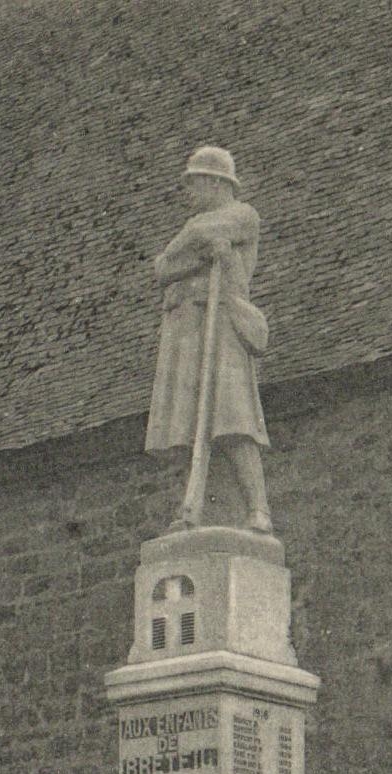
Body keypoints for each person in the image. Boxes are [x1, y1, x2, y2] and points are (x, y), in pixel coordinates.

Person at [145, 145, 273, 534]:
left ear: (217, 183)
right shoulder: (197, 224)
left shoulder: (242, 215)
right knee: (190, 423)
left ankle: (258, 510)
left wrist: (188, 250)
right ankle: (195, 505)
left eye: (195, 183)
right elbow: (161, 268)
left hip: (223, 326)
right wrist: (198, 256)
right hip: (189, 331)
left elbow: (194, 239)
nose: (190, 193)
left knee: (234, 418)